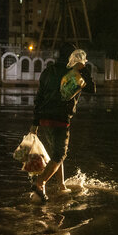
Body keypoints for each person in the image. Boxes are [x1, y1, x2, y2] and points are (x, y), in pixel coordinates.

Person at [29, 43, 96, 202]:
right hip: (60, 120)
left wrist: (35, 123)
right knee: (60, 155)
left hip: (44, 119)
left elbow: (39, 98)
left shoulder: (47, 71)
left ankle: (61, 185)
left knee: (55, 155)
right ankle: (40, 183)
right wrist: (84, 67)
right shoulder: (73, 72)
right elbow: (92, 89)